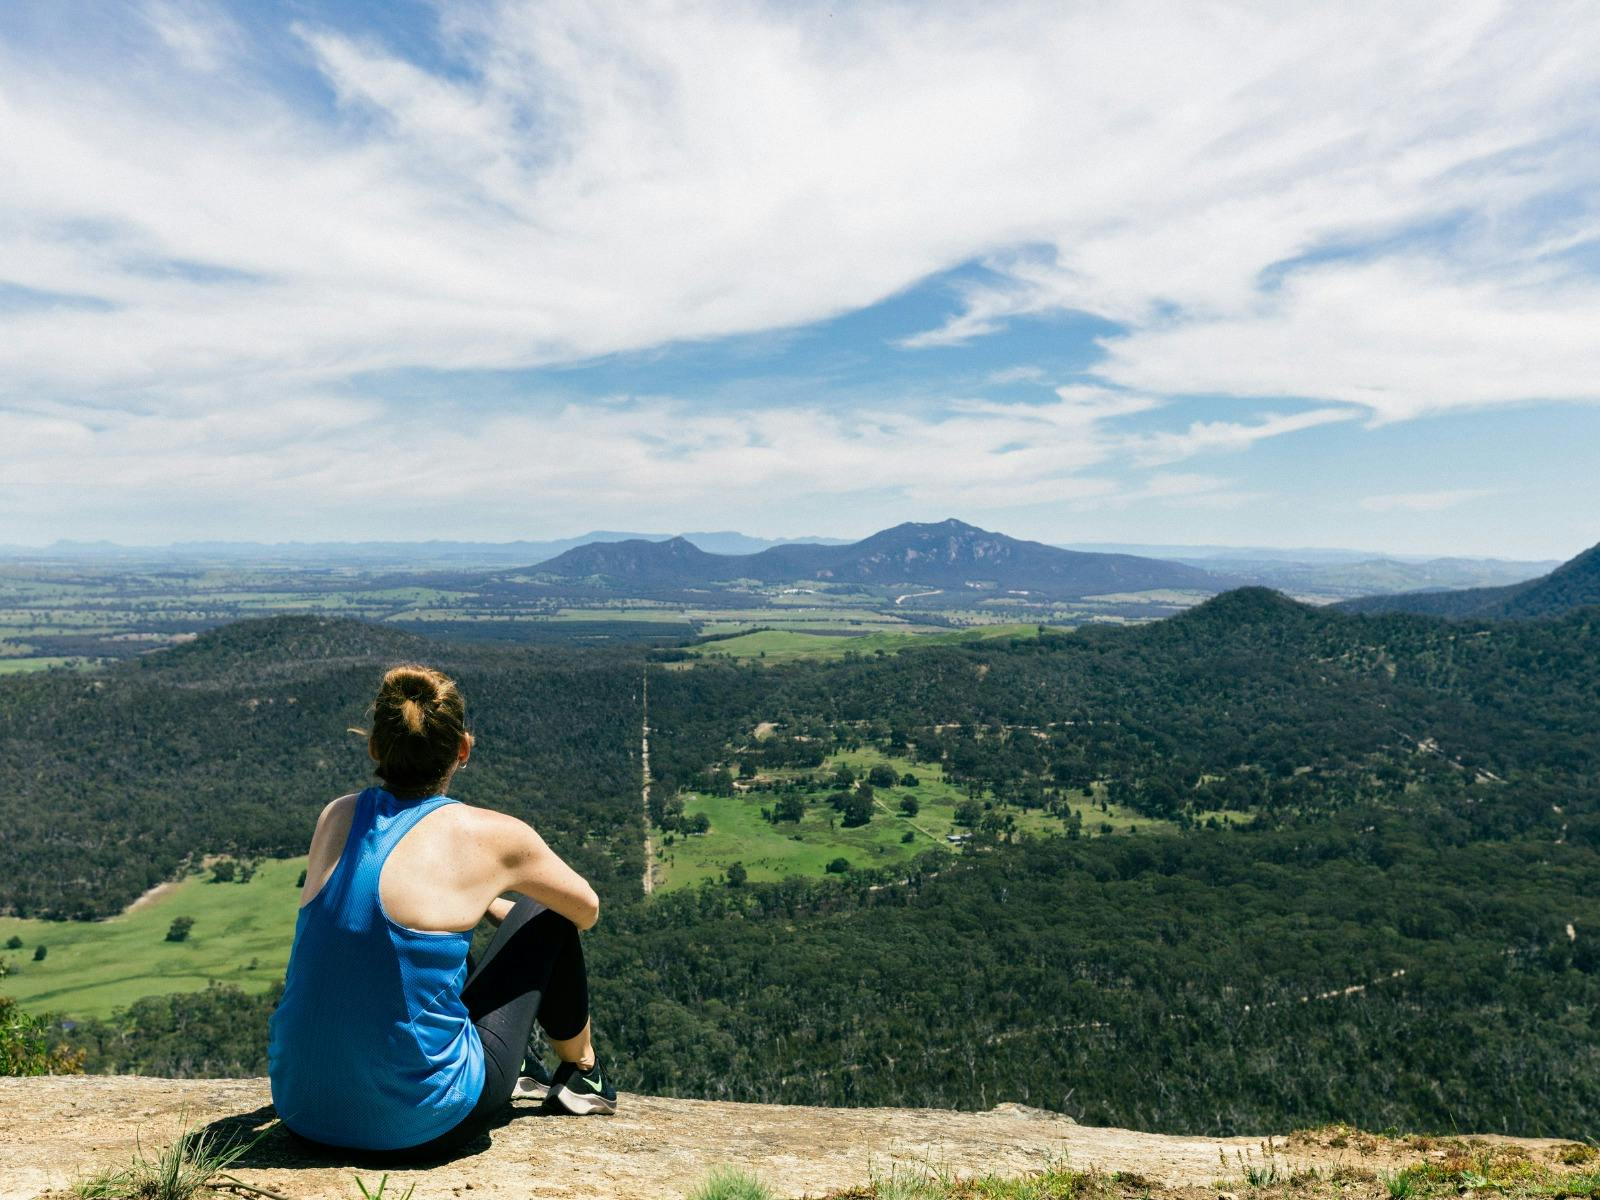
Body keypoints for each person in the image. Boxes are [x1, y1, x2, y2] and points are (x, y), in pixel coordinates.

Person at [268, 663, 616, 1159]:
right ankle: (582, 1073)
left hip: (302, 1112)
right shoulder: (490, 835)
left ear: (374, 748)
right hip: (427, 1121)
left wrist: (481, 901)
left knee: (422, 946)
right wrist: (504, 904)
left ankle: (527, 1070)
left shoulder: (336, 816)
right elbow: (585, 909)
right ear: (463, 748)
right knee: (545, 909)